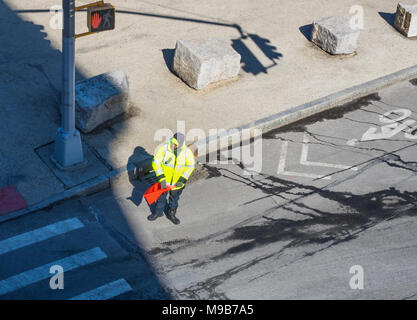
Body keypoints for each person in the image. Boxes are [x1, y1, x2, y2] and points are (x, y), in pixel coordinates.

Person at [147, 132, 195, 224]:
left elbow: (190, 166)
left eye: (176, 144)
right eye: (174, 143)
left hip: (177, 183)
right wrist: (162, 178)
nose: (174, 146)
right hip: (164, 181)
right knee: (161, 197)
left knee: (174, 199)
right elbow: (156, 162)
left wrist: (182, 180)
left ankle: (171, 214)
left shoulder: (186, 152)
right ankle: (158, 212)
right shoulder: (164, 148)